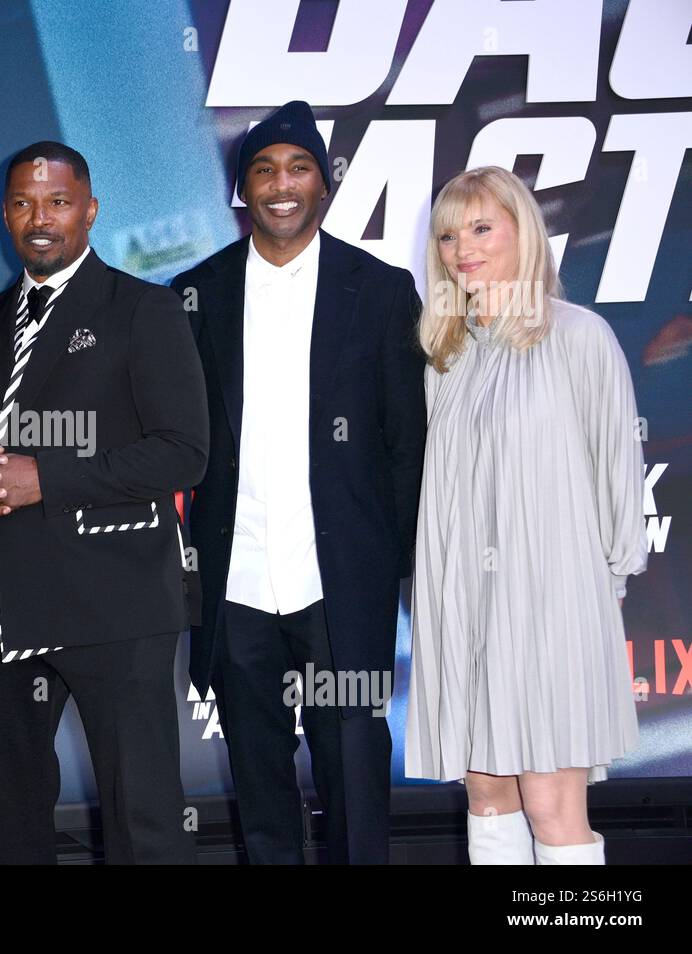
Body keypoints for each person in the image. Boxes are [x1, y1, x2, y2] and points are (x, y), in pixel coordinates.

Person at [171, 100, 427, 864]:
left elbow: (406, 444)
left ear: (325, 184)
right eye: (263, 170)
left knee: (354, 771)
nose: (281, 185)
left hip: (340, 583)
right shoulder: (196, 293)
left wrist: (405, 568)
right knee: (259, 782)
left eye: (298, 167)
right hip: (237, 583)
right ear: (241, 191)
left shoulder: (379, 291)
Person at [0, 141, 207, 864]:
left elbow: (184, 452)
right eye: (25, 203)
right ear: (3, 214)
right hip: (9, 601)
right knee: (8, 819)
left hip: (118, 603)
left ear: (90, 211)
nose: (41, 218)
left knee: (144, 819)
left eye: (58, 202)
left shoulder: (145, 310)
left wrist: (47, 478)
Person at [405, 166, 646, 865]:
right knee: (486, 796)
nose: (463, 248)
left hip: (553, 607)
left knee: (551, 803)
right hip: (465, 608)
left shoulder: (579, 337)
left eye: (482, 227)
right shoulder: (446, 356)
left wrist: (604, 586)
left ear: (524, 232)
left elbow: (615, 473)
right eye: (449, 234)